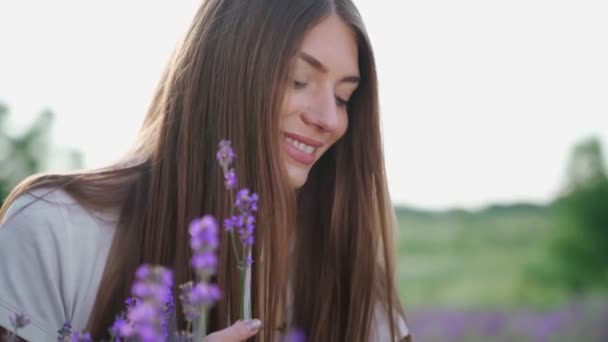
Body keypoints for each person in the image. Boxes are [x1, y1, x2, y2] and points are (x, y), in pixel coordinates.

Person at [0, 0, 410, 341]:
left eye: (343, 97)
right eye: (298, 80)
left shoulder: (340, 251)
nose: (330, 119)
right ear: (224, 75)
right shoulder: (56, 228)